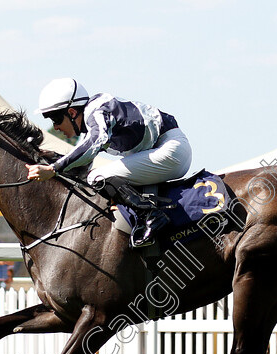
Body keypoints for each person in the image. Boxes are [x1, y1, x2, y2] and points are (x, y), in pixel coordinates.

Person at [25, 78, 193, 247]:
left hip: (171, 149)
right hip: (163, 150)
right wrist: (52, 158)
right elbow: (83, 165)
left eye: (55, 119)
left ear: (72, 112)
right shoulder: (92, 122)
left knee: (97, 177)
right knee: (96, 176)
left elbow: (93, 144)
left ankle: (152, 215)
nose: (55, 127)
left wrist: (54, 169)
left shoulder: (97, 111)